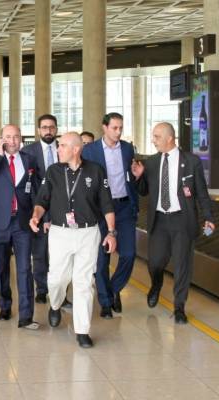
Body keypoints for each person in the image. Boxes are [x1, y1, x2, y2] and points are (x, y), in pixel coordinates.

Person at [31, 133, 116, 348]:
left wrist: (111, 232)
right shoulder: (53, 171)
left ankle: (82, 331)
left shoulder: (96, 171)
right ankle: (55, 304)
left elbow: (106, 204)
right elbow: (42, 200)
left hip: (88, 233)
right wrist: (36, 216)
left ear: (76, 149)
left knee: (83, 282)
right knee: (57, 279)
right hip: (60, 232)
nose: (58, 149)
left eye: (62, 146)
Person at [131, 122, 215, 324]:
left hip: (182, 220)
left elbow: (201, 193)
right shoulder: (151, 163)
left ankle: (179, 307)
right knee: (155, 262)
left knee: (182, 264)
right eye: (153, 136)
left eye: (157, 137)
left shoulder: (191, 161)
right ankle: (156, 284)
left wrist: (209, 217)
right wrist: (139, 177)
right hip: (159, 220)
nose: (153, 140)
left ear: (170, 138)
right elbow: (143, 191)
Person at [0, 124, 40, 330]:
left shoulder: (29, 159)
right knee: (1, 267)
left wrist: (39, 215)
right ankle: (5, 305)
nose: (12, 141)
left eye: (16, 136)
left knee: (25, 268)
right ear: (1, 139)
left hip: (22, 222)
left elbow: (35, 190)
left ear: (21, 138)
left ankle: (26, 315)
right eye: (8, 137)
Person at [82, 112, 138, 319]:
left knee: (129, 254)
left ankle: (113, 289)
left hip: (124, 207)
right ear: (104, 127)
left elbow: (130, 176)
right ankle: (105, 302)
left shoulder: (127, 148)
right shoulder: (90, 151)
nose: (118, 132)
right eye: (114, 128)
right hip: (100, 210)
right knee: (101, 259)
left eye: (120, 128)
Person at [21, 114, 58, 304]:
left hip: (63, 212)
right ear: (38, 130)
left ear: (56, 129)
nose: (48, 131)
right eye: (44, 127)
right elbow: (26, 186)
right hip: (37, 211)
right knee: (40, 254)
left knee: (61, 256)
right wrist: (41, 215)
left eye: (51, 127)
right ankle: (42, 289)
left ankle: (60, 292)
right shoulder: (28, 152)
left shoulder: (64, 149)